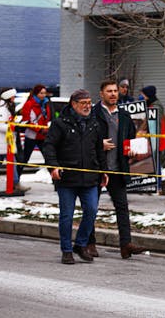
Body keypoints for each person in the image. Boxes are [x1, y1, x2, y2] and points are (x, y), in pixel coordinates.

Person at [42, 89, 109, 265]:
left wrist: (104, 171)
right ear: (73, 104)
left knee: (92, 211)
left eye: (89, 102)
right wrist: (53, 167)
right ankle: (66, 250)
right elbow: (49, 146)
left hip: (90, 178)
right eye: (84, 103)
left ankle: (80, 244)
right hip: (67, 179)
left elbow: (98, 150)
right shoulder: (60, 124)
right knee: (67, 216)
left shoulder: (94, 124)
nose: (88, 106)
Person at [86, 80, 145, 259]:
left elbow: (130, 139)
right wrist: (98, 144)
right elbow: (83, 138)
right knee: (91, 207)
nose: (113, 94)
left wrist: (133, 150)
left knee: (122, 207)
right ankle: (89, 243)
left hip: (117, 169)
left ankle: (125, 244)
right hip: (97, 168)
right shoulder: (93, 113)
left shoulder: (125, 115)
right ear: (101, 94)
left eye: (115, 91)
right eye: (109, 91)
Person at [0, 88, 30, 195]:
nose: (14, 98)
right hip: (3, 142)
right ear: (8, 97)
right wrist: (13, 127)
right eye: (13, 96)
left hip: (5, 141)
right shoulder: (1, 110)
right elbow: (0, 126)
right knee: (11, 162)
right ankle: (15, 183)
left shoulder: (6, 109)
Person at [17, 84, 52, 176]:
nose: (44, 95)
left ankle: (55, 181)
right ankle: (15, 181)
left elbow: (47, 118)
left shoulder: (46, 104)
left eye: (45, 93)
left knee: (49, 159)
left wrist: (45, 129)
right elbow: (27, 121)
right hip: (31, 135)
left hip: (43, 135)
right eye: (41, 93)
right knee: (25, 159)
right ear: (36, 94)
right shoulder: (29, 104)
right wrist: (39, 130)